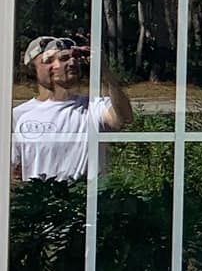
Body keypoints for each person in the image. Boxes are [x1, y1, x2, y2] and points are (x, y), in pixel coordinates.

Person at [10, 33, 134, 184]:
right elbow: (13, 172)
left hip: (86, 202)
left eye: (72, 57)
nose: (71, 62)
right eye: (49, 60)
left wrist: (105, 73)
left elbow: (123, 118)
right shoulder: (20, 116)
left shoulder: (94, 107)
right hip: (42, 202)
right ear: (32, 69)